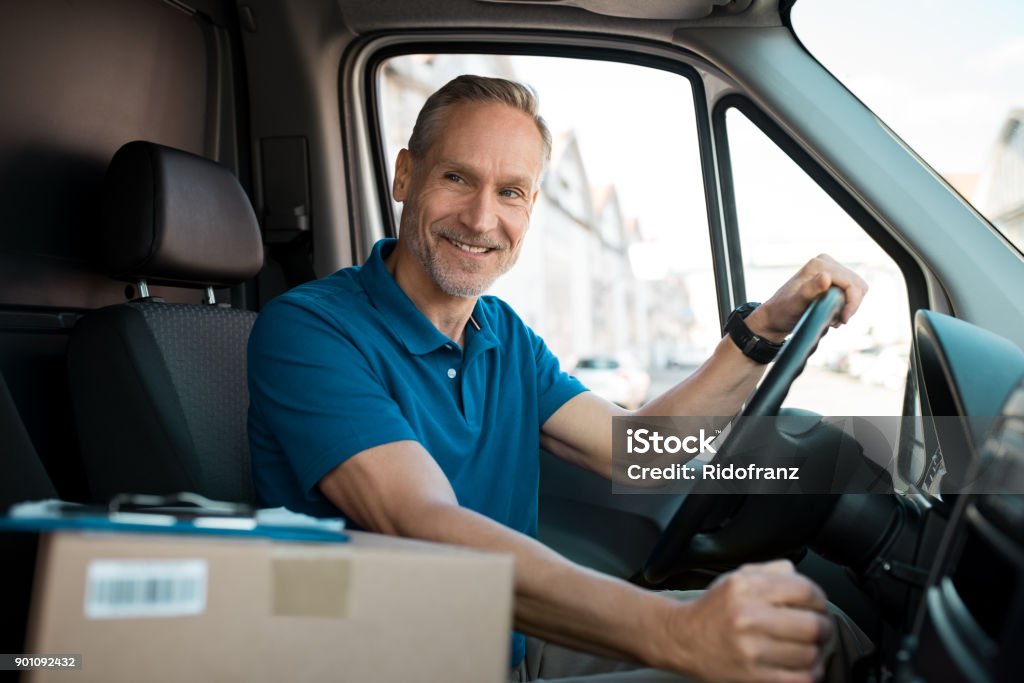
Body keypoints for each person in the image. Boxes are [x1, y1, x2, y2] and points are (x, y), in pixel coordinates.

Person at [247, 75, 871, 683]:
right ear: (406, 175)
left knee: (818, 637)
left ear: (532, 206)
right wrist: (677, 633)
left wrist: (763, 329)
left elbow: (645, 454)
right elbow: (421, 525)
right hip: (404, 664)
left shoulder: (503, 334)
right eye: (457, 177)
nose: (481, 218)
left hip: (511, 649)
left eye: (512, 192)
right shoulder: (310, 330)